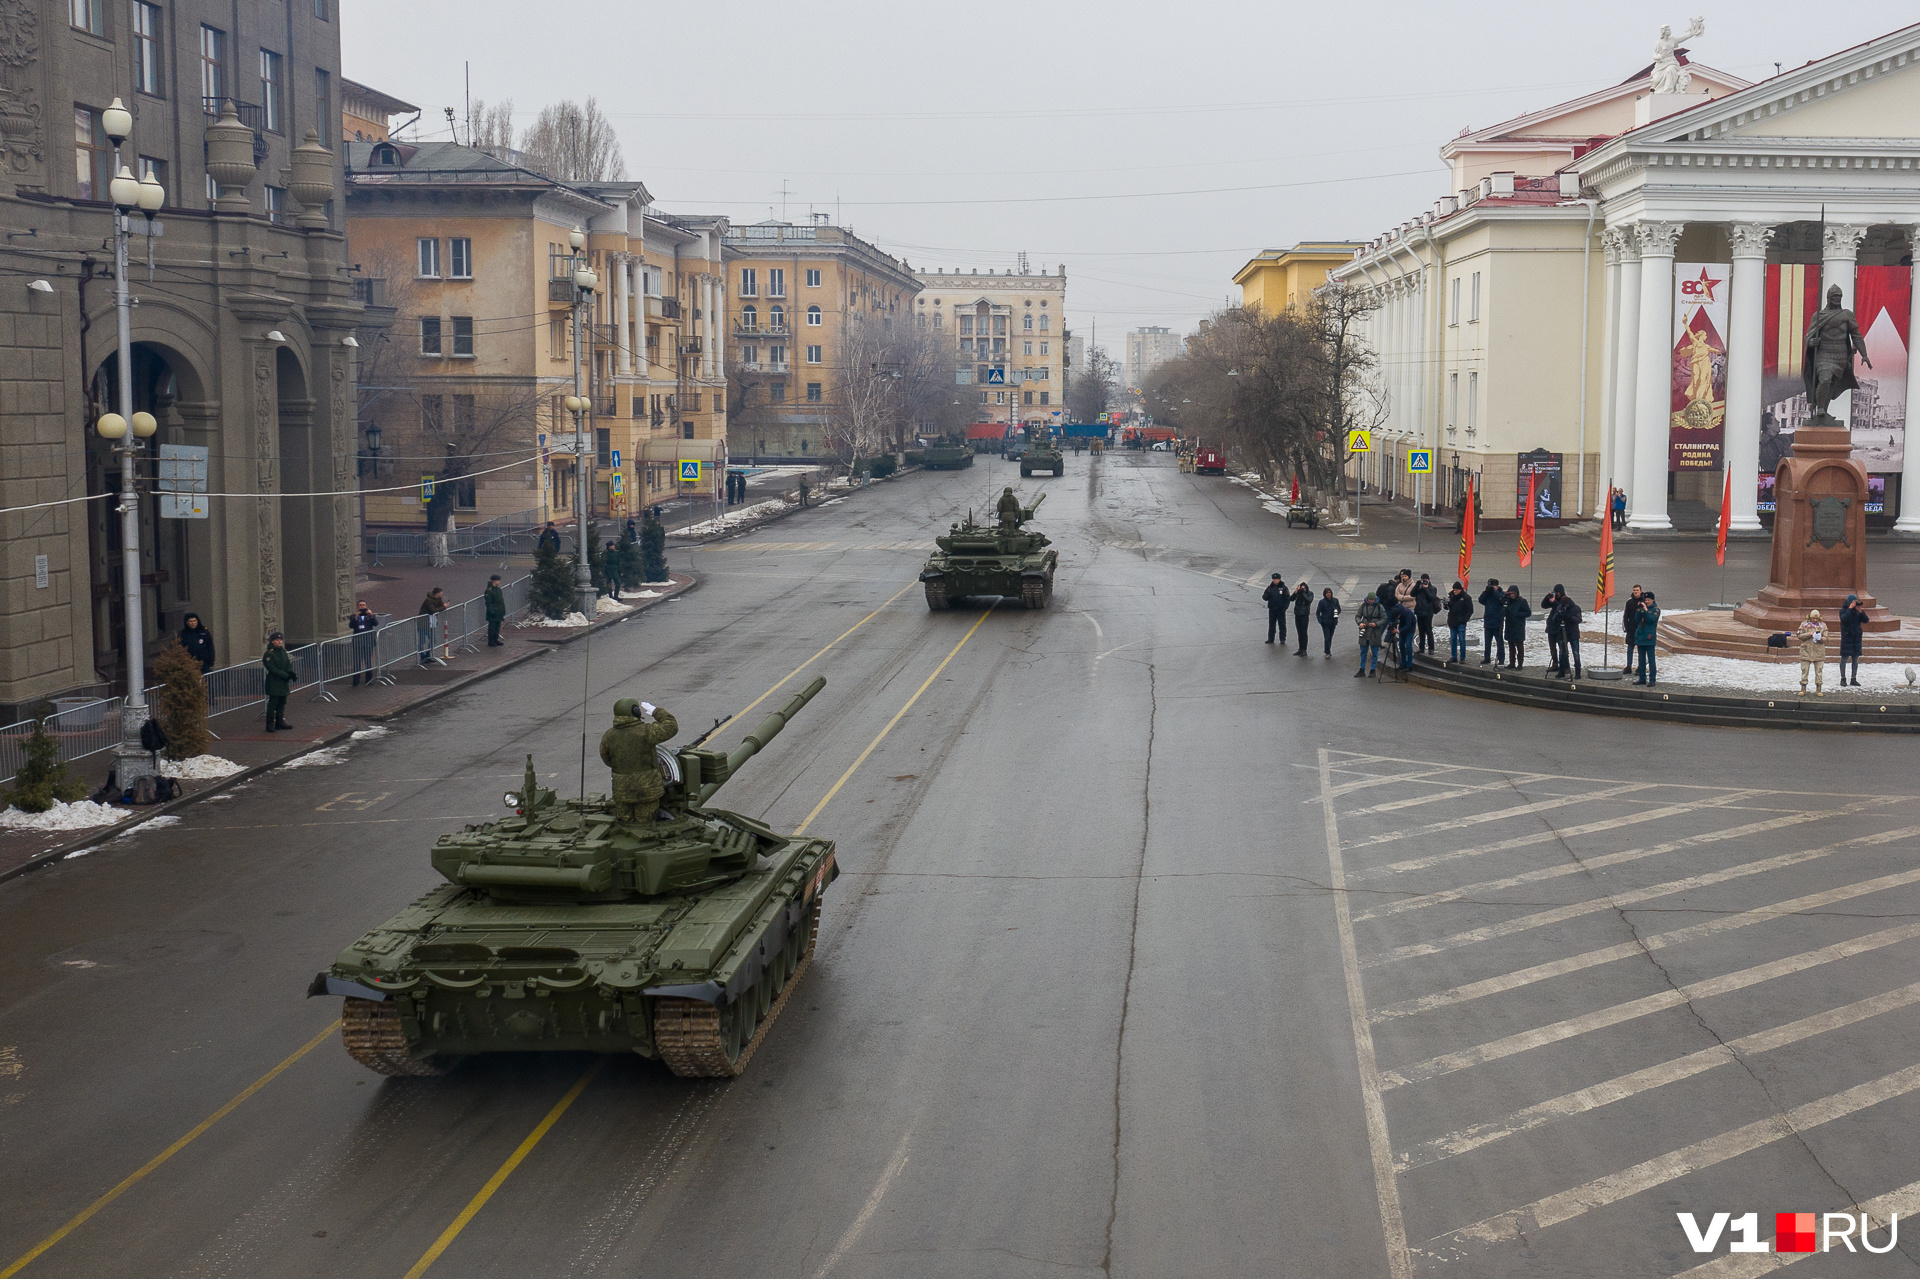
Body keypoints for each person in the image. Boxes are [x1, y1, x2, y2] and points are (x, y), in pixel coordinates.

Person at [598, 698, 681, 821]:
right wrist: (655, 711)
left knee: (624, 823)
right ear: (636, 711)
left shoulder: (609, 735)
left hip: (622, 790)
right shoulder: (646, 731)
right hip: (647, 790)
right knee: (645, 825)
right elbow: (671, 725)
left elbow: (606, 757)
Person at [261, 632, 296, 732]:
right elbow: (272, 668)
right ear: (272, 641)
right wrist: (285, 675)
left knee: (282, 702)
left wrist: (290, 673)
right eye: (277, 640)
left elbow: (288, 663)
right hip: (274, 682)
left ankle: (280, 722)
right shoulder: (269, 654)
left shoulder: (283, 651)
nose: (279, 642)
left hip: (283, 682)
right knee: (273, 703)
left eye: (280, 640)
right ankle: (270, 724)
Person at [1553, 589, 1584, 678]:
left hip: (1573, 633)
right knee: (1562, 653)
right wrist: (1557, 616)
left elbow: (1578, 620)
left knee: (1576, 653)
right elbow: (1554, 620)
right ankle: (1561, 671)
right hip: (1562, 633)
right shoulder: (1560, 607)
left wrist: (1569, 617)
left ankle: (1578, 672)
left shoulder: (1576, 608)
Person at [1632, 590, 1661, 686]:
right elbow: (1636, 620)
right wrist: (1638, 610)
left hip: (1649, 638)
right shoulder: (1642, 609)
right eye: (1645, 600)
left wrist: (1645, 610)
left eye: (1648, 600)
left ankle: (1652, 680)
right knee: (1641, 660)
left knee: (1651, 660)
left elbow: (1650, 620)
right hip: (1641, 637)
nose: (1647, 602)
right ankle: (1642, 678)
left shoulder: (1656, 610)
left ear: (1652, 600)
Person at [1796, 609, 1827, 696]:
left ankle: (1819, 688)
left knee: (1819, 671)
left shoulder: (1823, 626)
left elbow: (1826, 638)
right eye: (1813, 618)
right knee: (1804, 670)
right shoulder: (1804, 625)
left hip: (1818, 652)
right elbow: (1799, 635)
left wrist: (1819, 638)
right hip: (1806, 651)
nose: (1815, 620)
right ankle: (1803, 687)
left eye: (1816, 619)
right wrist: (1808, 634)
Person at [348, 600, 380, 685]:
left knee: (368, 661)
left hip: (367, 641)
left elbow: (376, 623)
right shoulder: (353, 616)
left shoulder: (369, 616)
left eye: (363, 605)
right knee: (357, 662)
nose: (362, 607)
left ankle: (369, 680)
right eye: (360, 605)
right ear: (357, 606)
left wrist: (372, 615)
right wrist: (356, 617)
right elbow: (351, 626)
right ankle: (355, 681)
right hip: (358, 642)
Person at [1355, 592, 1385, 678]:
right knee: (1363, 651)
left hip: (1375, 632)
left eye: (1372, 600)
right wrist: (1359, 623)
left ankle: (1373, 670)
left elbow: (1384, 618)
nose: (1371, 601)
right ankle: (1362, 669)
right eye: (1369, 599)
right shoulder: (1363, 606)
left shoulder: (1380, 607)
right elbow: (1357, 616)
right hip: (1364, 631)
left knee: (1374, 652)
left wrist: (1376, 624)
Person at [1839, 594, 1866, 686]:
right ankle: (1843, 678)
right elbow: (1844, 619)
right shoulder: (1843, 611)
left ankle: (1853, 678)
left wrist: (1861, 611)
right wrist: (1850, 609)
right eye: (1853, 602)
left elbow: (1866, 620)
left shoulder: (1857, 611)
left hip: (1856, 638)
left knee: (1855, 659)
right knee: (1844, 659)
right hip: (1847, 638)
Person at [1479, 577, 1506, 665]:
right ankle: (1487, 658)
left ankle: (1501, 659)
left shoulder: (1500, 593)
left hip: (1497, 622)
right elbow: (1481, 600)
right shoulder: (1488, 594)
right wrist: (1486, 592)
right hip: (1488, 621)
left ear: (1497, 586)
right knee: (1487, 642)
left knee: (1499, 643)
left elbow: (1502, 600)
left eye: (1492, 586)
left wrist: (1495, 592)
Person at [416, 587, 447, 666]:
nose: (442, 595)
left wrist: (441, 602)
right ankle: (422, 656)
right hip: (423, 623)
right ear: (437, 593)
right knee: (422, 641)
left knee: (433, 640)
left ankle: (428, 655)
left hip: (431, 623)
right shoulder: (429, 600)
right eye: (441, 594)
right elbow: (433, 610)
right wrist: (444, 607)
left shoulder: (437, 599)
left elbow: (439, 606)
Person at [1503, 585, 1532, 669]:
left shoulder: (1522, 601)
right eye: (1510, 593)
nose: (1512, 595)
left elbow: (1528, 613)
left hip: (1518, 627)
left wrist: (1518, 615)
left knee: (1519, 647)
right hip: (1509, 626)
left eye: (1513, 593)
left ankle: (1520, 664)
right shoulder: (1507, 601)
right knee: (1511, 646)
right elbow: (1504, 611)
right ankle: (1512, 663)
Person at [1445, 580, 1473, 663]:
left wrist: (1464, 619)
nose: (1455, 591)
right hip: (1452, 621)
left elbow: (1470, 610)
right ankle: (1454, 656)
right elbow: (1448, 608)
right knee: (1453, 639)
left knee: (1461, 640)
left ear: (1460, 589)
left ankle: (1462, 657)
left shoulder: (1466, 597)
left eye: (1456, 590)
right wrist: (1445, 605)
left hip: (1461, 622)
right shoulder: (1451, 597)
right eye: (1454, 590)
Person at [1387, 594, 1416, 672]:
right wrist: (1391, 625)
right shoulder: (1395, 610)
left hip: (1410, 629)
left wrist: (1398, 631)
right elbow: (1391, 619)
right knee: (1401, 644)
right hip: (1402, 627)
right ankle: (1403, 663)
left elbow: (1408, 626)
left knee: (1408, 645)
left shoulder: (1408, 613)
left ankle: (1409, 665)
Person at [1541, 585, 1565, 674]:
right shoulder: (1553, 600)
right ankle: (1555, 664)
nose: (1557, 594)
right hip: (1551, 627)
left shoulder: (1564, 600)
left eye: (1557, 593)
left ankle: (1565, 665)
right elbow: (1543, 606)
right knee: (1552, 647)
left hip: (1559, 629)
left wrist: (1554, 601)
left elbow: (1561, 607)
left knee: (1562, 648)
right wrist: (1547, 597)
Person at [1413, 574, 1439, 655]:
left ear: (1428, 580)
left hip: (1428, 612)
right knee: (1421, 631)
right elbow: (1412, 594)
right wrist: (1417, 585)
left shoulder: (1433, 588)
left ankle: (1431, 648)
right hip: (1419, 611)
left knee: (1428, 630)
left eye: (1426, 580)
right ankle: (1421, 647)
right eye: (1423, 580)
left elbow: (1431, 598)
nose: (1424, 582)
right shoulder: (1419, 588)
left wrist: (1426, 589)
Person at [1262, 573, 1289, 645]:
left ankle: (1282, 639)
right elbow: (1264, 597)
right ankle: (1271, 638)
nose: (1274, 580)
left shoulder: (1283, 588)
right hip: (1272, 609)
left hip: (1280, 609)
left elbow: (1287, 599)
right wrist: (1267, 594)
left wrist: (1284, 608)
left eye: (1276, 579)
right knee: (1271, 624)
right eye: (1274, 579)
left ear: (1279, 579)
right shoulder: (1270, 588)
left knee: (1282, 624)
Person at [1316, 588, 1342, 657]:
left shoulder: (1335, 601)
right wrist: (1320, 621)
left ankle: (1328, 650)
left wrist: (1336, 612)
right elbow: (1318, 612)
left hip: (1333, 622)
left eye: (1329, 592)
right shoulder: (1322, 602)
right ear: (1324, 594)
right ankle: (1327, 651)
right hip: (1325, 623)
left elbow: (1339, 609)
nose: (1328, 594)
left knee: (1330, 637)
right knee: (1327, 637)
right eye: (1327, 593)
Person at [1291, 580, 1313, 656]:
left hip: (1304, 615)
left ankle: (1304, 649)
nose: (1302, 589)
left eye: (1304, 588)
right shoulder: (1298, 594)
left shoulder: (1309, 594)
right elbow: (1291, 599)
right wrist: (1296, 592)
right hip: (1297, 614)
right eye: (1301, 588)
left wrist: (1303, 593)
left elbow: (1309, 601)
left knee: (1304, 633)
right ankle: (1300, 648)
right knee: (1299, 632)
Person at [484, 575, 507, 647]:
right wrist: (492, 611)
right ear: (494, 581)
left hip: (499, 611)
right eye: (498, 580)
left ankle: (496, 640)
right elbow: (488, 602)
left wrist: (503, 610)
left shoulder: (498, 590)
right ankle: (491, 641)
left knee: (497, 627)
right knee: (492, 627)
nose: (499, 582)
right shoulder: (489, 591)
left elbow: (501, 601)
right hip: (493, 612)